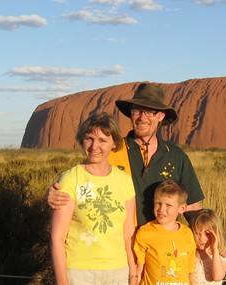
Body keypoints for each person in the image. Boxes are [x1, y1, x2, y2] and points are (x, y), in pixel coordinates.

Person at [47, 83, 205, 226]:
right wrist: (54, 193)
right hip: (121, 245)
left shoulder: (176, 156)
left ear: (161, 116)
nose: (142, 117)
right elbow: (83, 179)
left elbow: (190, 206)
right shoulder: (114, 150)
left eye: (149, 112)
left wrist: (210, 235)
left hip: (160, 247)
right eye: (137, 110)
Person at [50, 112, 137, 285]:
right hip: (80, 272)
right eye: (89, 138)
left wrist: (133, 273)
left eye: (103, 140)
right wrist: (62, 282)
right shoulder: (70, 179)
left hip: (118, 271)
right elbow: (57, 237)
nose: (94, 146)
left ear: (114, 144)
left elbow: (128, 233)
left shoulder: (125, 180)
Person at [133, 179, 197, 285]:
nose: (161, 209)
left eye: (168, 205)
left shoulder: (187, 233)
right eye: (158, 203)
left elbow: (190, 270)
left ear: (181, 208)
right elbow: (139, 269)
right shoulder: (145, 232)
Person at [189, 209, 226, 285]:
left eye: (207, 234)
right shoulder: (188, 253)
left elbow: (217, 277)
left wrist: (215, 249)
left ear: (216, 234)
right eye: (197, 233)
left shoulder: (221, 255)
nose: (201, 238)